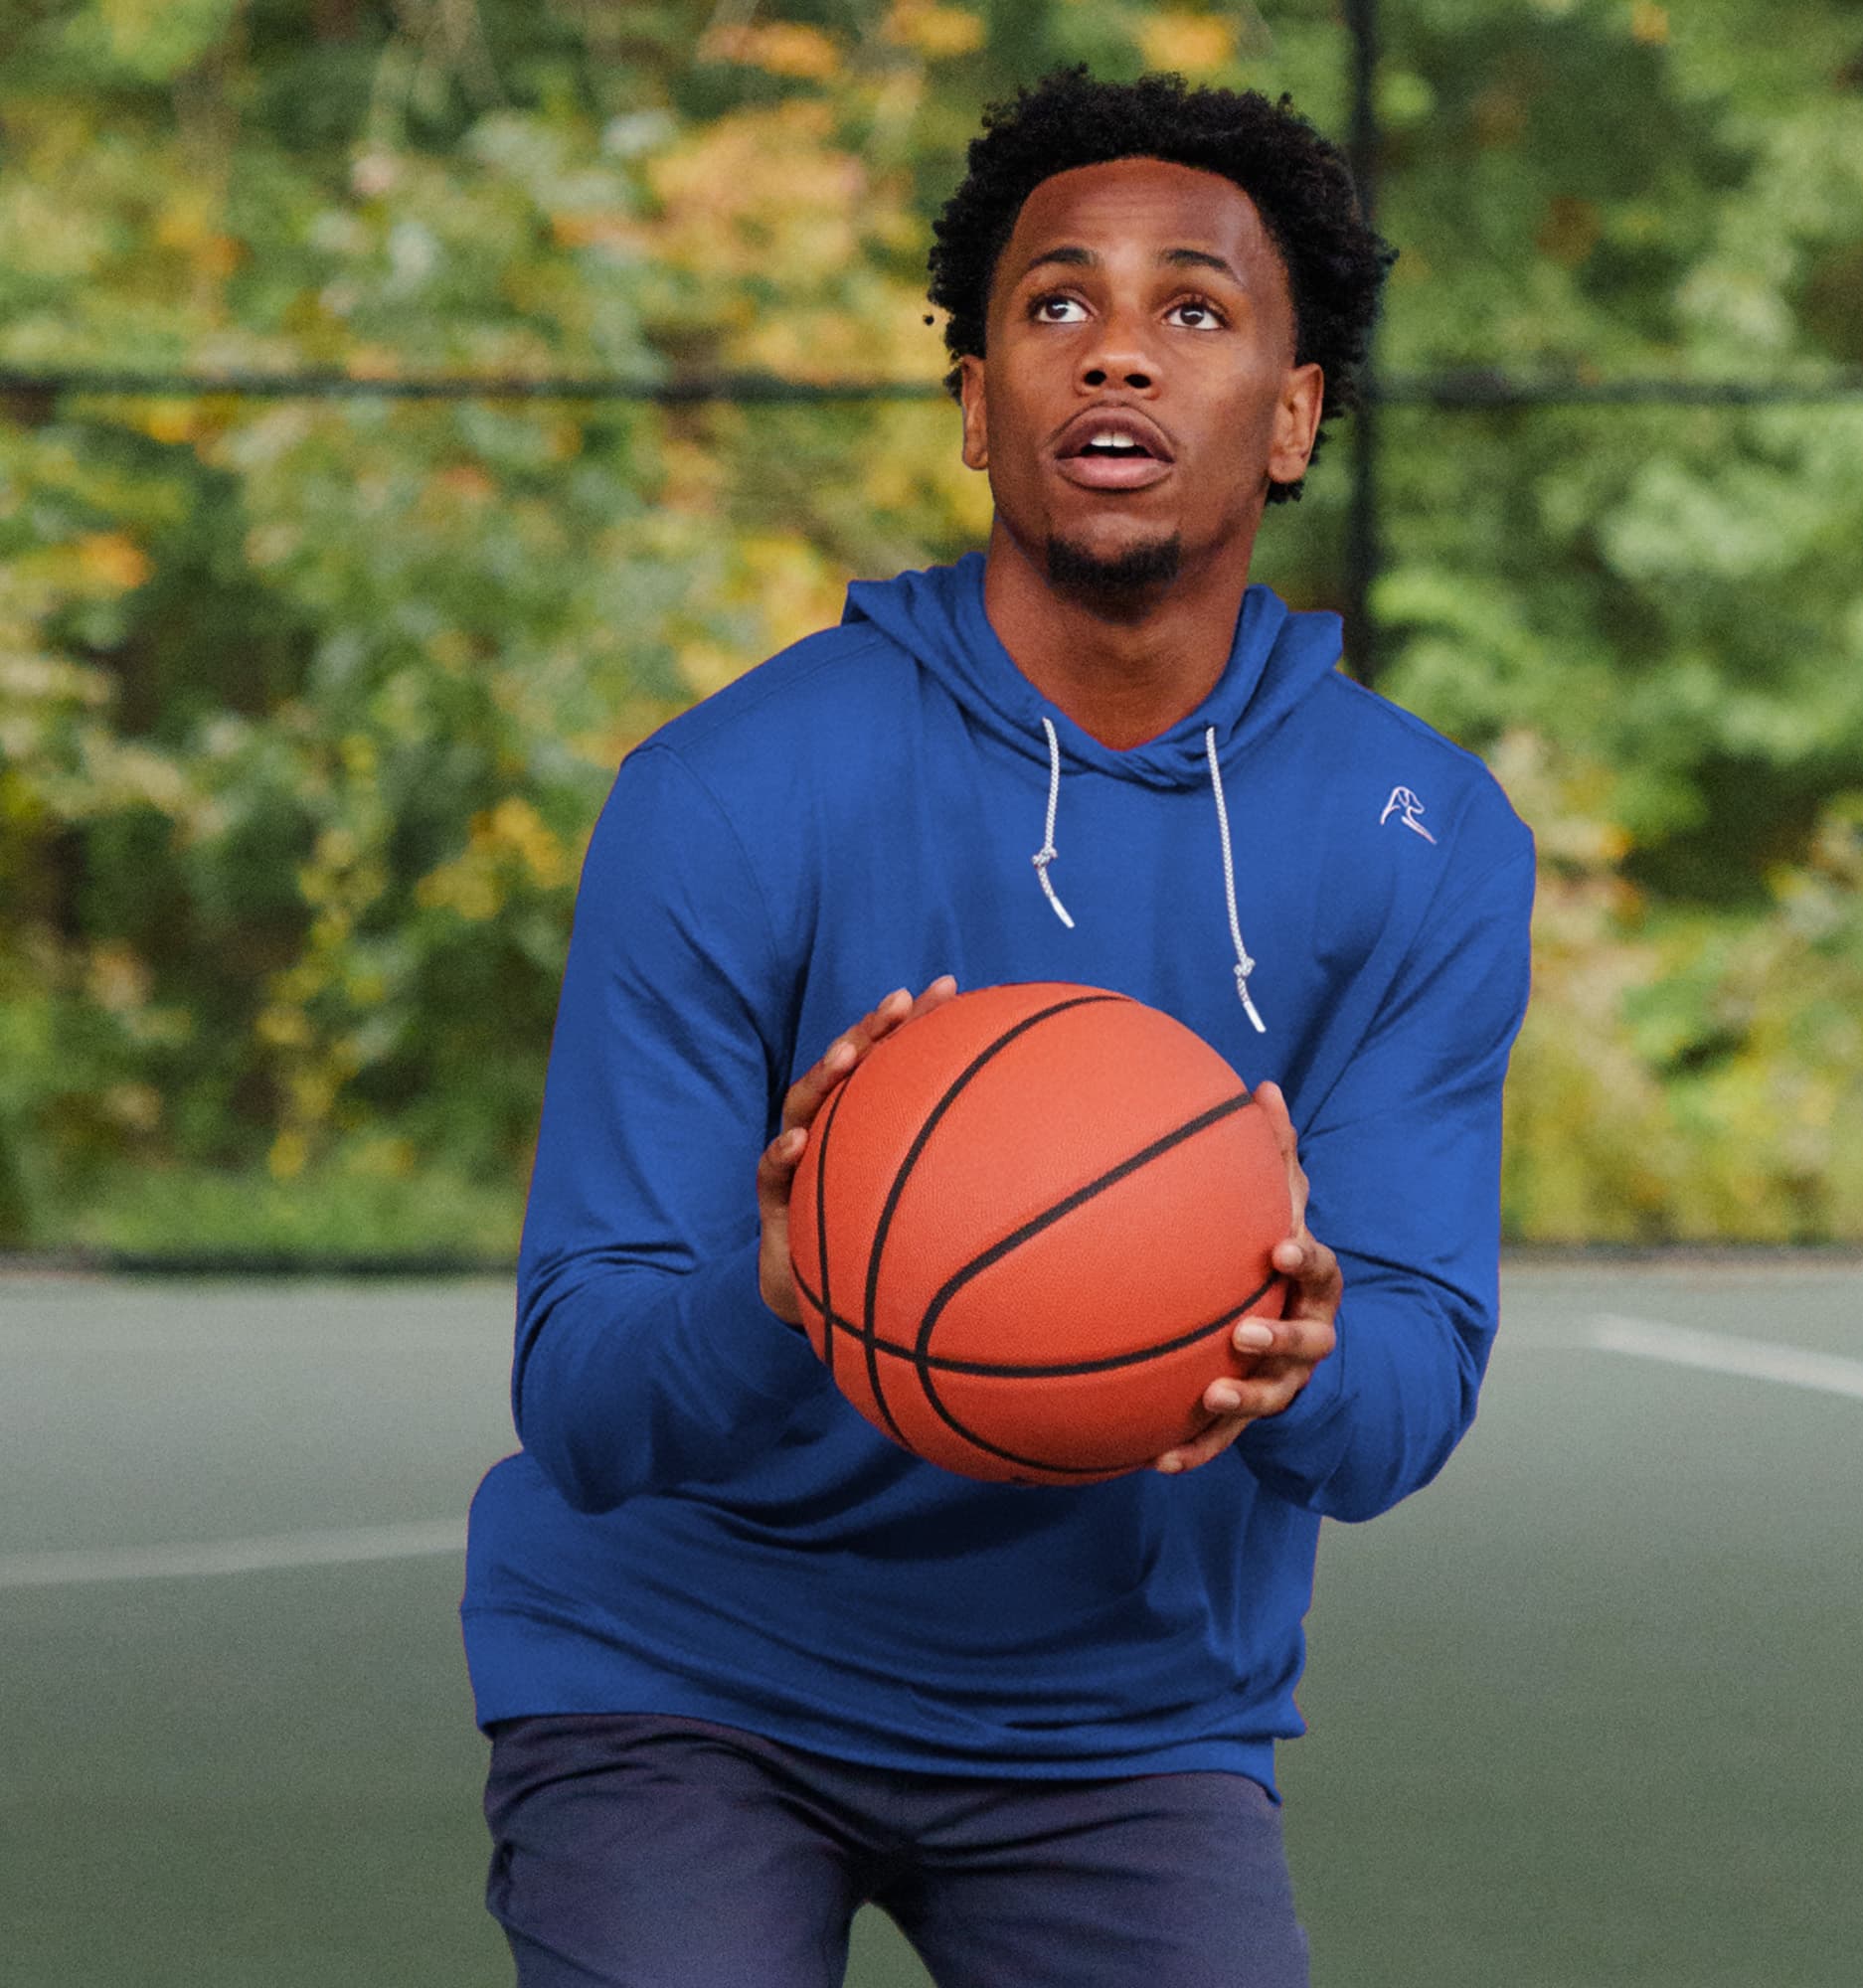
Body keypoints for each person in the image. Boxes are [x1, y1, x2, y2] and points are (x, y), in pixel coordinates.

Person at [462, 66, 1533, 1988]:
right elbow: (586, 1391)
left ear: (1295, 420)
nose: (1116, 356)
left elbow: (1405, 1401)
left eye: (1192, 309)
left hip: (1118, 1723)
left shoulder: (1424, 840)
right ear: (977, 407)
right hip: (679, 1676)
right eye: (1056, 306)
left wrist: (1304, 1356)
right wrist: (782, 1288)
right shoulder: (730, 792)